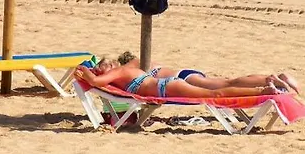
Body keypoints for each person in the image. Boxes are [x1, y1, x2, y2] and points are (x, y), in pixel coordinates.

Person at [75, 55, 290, 99]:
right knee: (220, 89)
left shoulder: (119, 71)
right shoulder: (130, 67)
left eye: (104, 66)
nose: (105, 69)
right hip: (169, 84)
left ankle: (264, 89)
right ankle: (264, 86)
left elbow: (94, 82)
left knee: (217, 94)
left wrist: (84, 69)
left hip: (167, 87)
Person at [99, 51, 301, 93]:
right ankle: (271, 79)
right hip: (186, 74)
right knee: (228, 81)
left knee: (228, 84)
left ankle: (269, 80)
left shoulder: (132, 67)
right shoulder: (142, 62)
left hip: (183, 78)